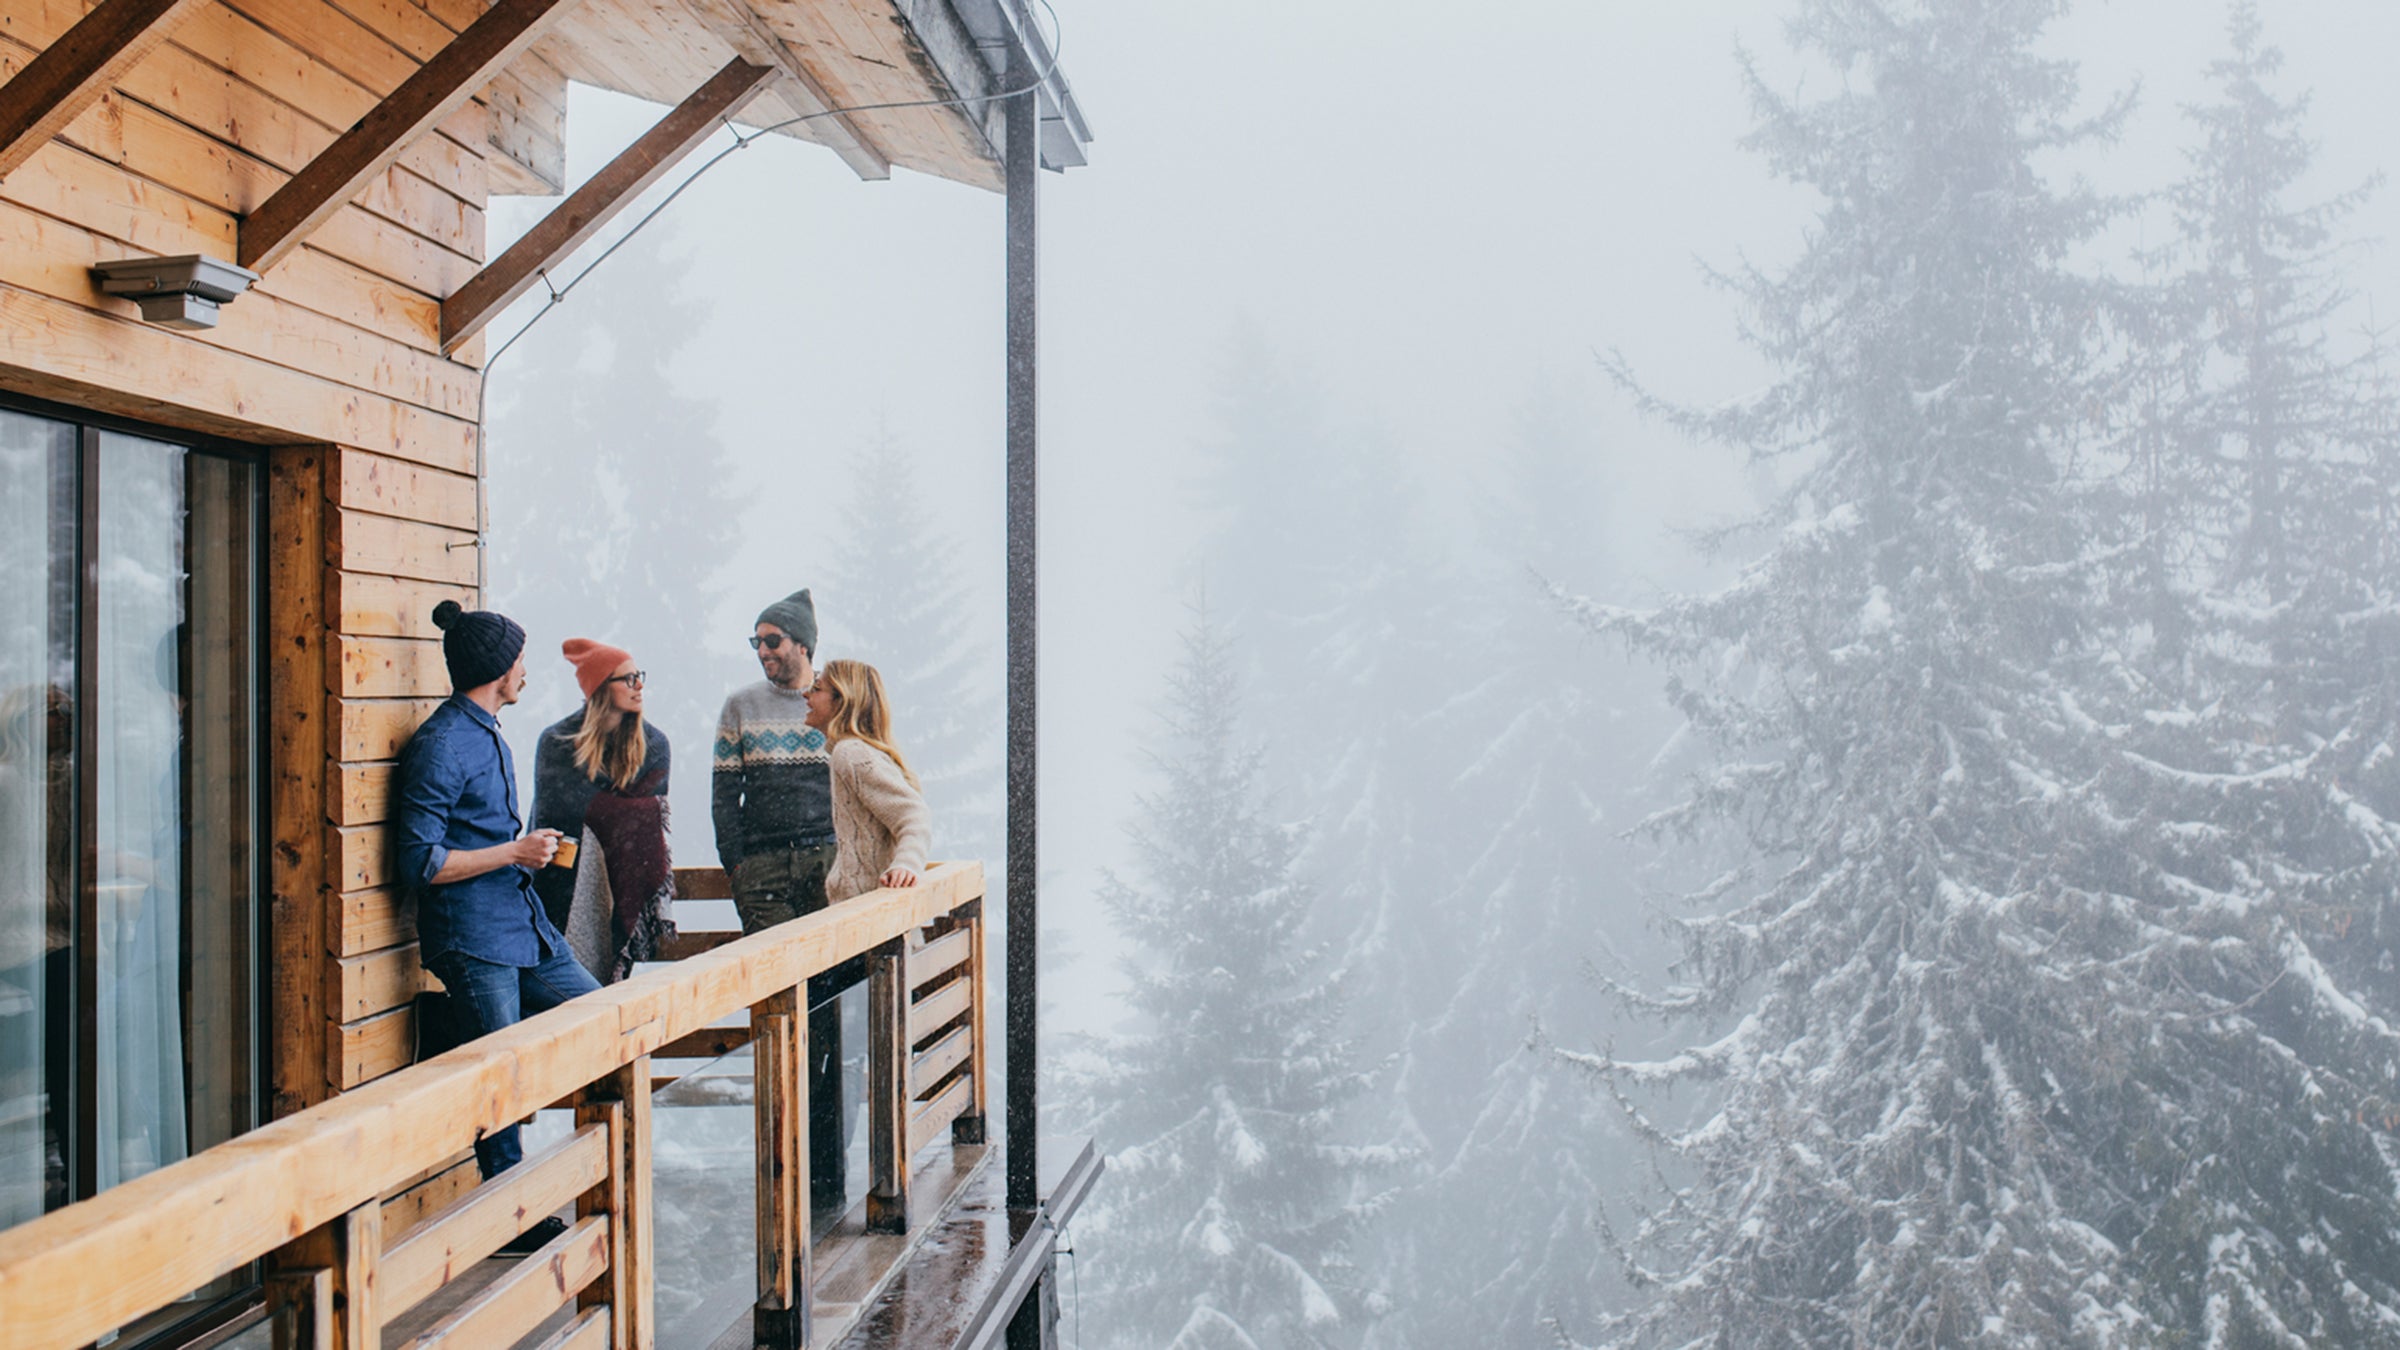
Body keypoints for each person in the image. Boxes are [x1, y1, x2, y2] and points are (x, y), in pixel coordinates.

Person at [391, 600, 598, 1251]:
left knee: (603, 1014)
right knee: (498, 1076)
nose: (526, 671)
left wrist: (525, 853)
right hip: (472, 939)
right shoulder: (443, 745)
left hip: (522, 925)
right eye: (519, 661)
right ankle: (511, 1219)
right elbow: (418, 861)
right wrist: (514, 852)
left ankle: (593, 1170)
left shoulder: (484, 731)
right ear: (497, 669)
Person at [711, 587, 848, 1208]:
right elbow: (724, 797)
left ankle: (826, 1162)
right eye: (757, 642)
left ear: (803, 646)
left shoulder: (833, 705)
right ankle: (779, 1163)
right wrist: (737, 866)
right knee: (777, 1005)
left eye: (772, 641)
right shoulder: (740, 707)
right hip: (763, 866)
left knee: (827, 1005)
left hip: (823, 862)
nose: (763, 652)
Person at [531, 639, 673, 983]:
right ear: (599, 687)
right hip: (562, 881)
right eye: (626, 679)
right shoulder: (559, 742)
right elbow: (555, 821)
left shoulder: (654, 745)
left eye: (639, 676)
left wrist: (603, 814)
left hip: (624, 882)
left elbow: (647, 822)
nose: (639, 686)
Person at [806, 660, 930, 903]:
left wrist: (906, 864)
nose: (805, 694)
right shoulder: (852, 751)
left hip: (868, 916)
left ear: (841, 701)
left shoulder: (851, 753)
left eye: (816, 689)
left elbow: (914, 815)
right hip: (869, 912)